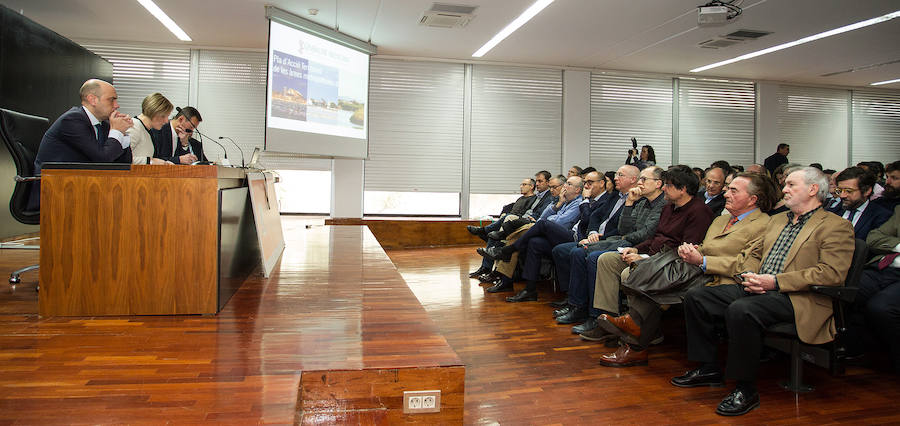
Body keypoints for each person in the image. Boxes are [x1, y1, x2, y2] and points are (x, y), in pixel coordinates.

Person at [673, 167, 854, 417]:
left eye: (791, 185)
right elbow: (755, 254)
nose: (784, 189)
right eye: (786, 185)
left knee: (742, 309)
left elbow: (831, 274)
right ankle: (707, 367)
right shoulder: (778, 220)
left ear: (813, 190)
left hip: (798, 297)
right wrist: (750, 274)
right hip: (762, 287)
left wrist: (776, 281)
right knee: (698, 297)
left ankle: (745, 389)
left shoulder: (835, 226)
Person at [595, 172, 775, 366]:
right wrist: (693, 250)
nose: (725, 194)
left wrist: (703, 260)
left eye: (733, 190)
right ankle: (633, 334)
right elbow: (704, 245)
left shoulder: (764, 225)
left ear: (752, 199)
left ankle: (634, 338)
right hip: (694, 269)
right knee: (647, 276)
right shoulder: (721, 220)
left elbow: (747, 265)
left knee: (652, 281)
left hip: (721, 279)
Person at [582, 170, 714, 343]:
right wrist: (637, 250)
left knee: (629, 272)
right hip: (652, 256)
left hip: (671, 264)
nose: (664, 189)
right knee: (606, 260)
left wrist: (645, 259)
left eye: (668, 185)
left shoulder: (698, 212)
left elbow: (686, 251)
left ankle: (642, 327)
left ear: (682, 189)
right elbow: (655, 237)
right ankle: (610, 321)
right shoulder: (669, 207)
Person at [553, 166, 665, 329]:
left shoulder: (661, 204)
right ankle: (578, 306)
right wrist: (629, 203)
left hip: (635, 246)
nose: (615, 178)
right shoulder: (638, 201)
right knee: (578, 252)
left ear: (658, 184)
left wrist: (621, 236)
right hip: (623, 241)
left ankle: (596, 315)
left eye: (643, 179)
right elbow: (623, 228)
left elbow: (644, 234)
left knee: (592, 257)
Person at [478, 175, 586, 301]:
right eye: (565, 183)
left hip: (569, 238)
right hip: (551, 233)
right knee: (534, 242)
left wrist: (548, 220)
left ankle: (507, 250)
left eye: (568, 184)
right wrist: (559, 203)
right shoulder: (563, 201)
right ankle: (529, 290)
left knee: (537, 226)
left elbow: (559, 223)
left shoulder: (578, 203)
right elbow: (544, 217)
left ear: (578, 190)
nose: (565, 187)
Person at [34, 79, 133, 175]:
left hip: (83, 183)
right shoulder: (72, 120)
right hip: (55, 184)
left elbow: (124, 164)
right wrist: (117, 131)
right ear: (92, 99)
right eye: (111, 100)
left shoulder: (104, 124)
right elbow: (102, 160)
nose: (117, 105)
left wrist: (122, 133)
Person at [857, 206, 900, 373]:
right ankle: (854, 349)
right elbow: (873, 238)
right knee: (845, 291)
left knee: (881, 307)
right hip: (882, 268)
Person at [468, 178, 537, 279]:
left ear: (531, 187)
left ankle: (484, 230)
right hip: (508, 222)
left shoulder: (533, 199)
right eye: (521, 184)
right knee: (493, 236)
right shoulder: (520, 199)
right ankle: (485, 267)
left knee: (500, 228)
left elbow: (524, 215)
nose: (521, 187)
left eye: (524, 184)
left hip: (517, 224)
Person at [826, 167, 891, 240]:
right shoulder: (831, 212)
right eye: (839, 190)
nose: (842, 195)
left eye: (848, 191)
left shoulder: (881, 216)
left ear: (867, 191)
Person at [127, 93, 174, 165]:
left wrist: (164, 163)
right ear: (154, 113)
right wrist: (150, 161)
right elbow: (121, 159)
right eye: (163, 116)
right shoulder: (134, 127)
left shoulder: (147, 130)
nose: (166, 121)